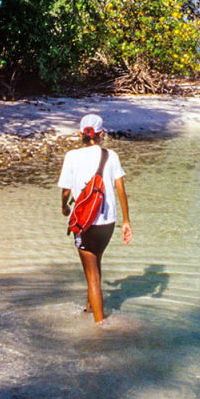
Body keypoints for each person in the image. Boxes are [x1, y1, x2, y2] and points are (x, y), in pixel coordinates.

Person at [57, 112, 132, 323]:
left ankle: (100, 328)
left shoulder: (72, 156)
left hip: (84, 222)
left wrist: (64, 207)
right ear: (101, 134)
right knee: (96, 264)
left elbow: (65, 191)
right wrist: (126, 221)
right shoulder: (111, 156)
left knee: (92, 277)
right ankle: (89, 309)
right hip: (108, 222)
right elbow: (121, 190)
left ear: (81, 133)